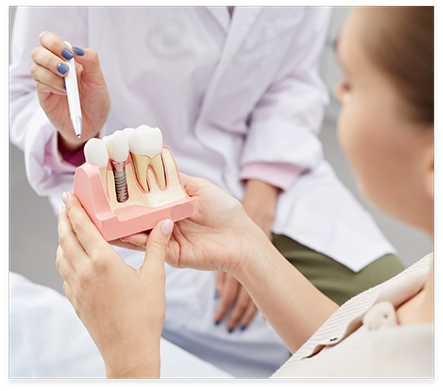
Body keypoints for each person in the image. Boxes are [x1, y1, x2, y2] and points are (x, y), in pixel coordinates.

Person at [10, 6, 403, 376]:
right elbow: (25, 93)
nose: (342, 89)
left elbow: (293, 81)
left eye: (351, 85)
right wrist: (76, 129)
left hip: (277, 178)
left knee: (389, 314)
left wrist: (255, 219)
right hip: (132, 191)